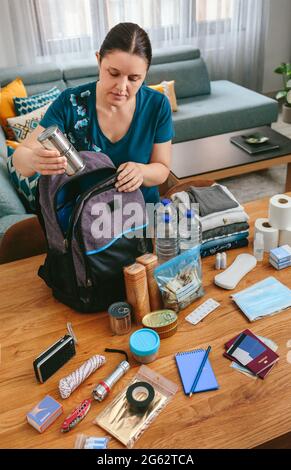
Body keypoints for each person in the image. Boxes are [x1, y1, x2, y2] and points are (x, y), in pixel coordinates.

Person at [12, 22, 174, 204]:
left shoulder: (157, 105)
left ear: (145, 73)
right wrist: (33, 159)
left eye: (134, 78)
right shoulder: (70, 102)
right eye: (113, 73)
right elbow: (19, 159)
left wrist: (141, 172)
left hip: (141, 213)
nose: (121, 87)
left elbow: (162, 168)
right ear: (98, 60)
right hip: (87, 219)